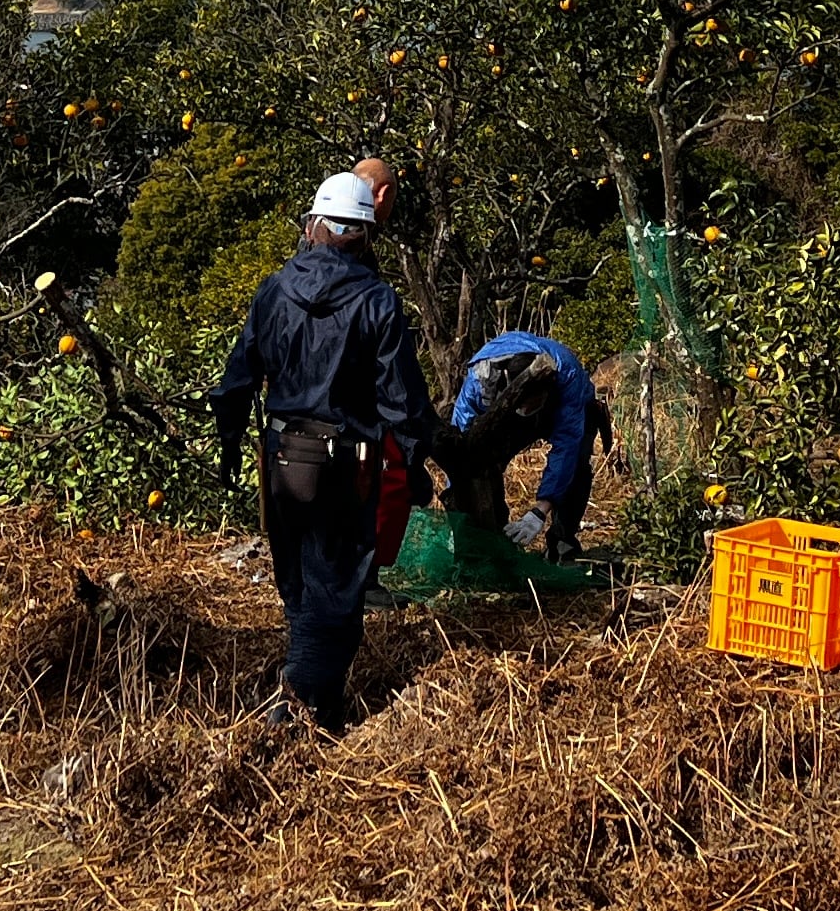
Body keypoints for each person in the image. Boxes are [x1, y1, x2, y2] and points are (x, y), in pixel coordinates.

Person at [211, 169, 434, 730]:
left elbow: (236, 382)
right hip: (346, 470)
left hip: (283, 461)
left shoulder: (273, 289)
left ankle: (308, 706)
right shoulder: (378, 302)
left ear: (313, 225)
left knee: (299, 587)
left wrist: (230, 446)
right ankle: (297, 717)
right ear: (363, 233)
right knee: (335, 598)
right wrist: (412, 464)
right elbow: (403, 406)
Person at [439, 327, 606, 556]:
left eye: (535, 401)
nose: (529, 408)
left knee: (577, 462)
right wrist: (458, 507)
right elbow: (461, 449)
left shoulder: (566, 375)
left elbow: (567, 445)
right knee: (481, 464)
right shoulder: (479, 384)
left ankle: (562, 541)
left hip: (572, 408)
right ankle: (491, 536)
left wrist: (540, 510)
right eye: (526, 403)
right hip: (506, 413)